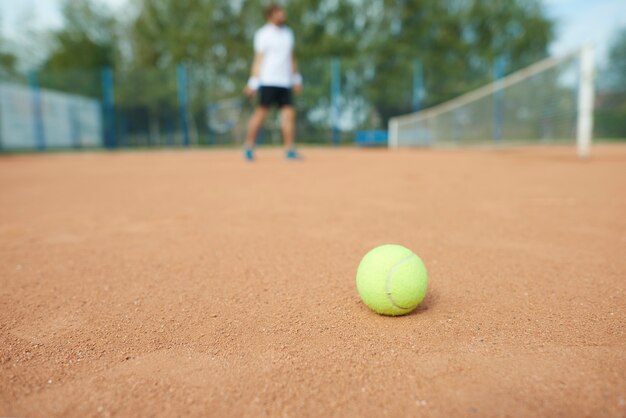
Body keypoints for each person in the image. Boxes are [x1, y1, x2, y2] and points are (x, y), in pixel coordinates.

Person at [243, 4, 303, 161]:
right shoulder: (263, 34)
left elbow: (292, 58)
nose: (282, 15)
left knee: (289, 114)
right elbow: (258, 60)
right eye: (279, 13)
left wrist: (296, 79)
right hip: (268, 81)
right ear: (270, 16)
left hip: (285, 82)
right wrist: (253, 83)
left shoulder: (288, 34)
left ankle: (289, 149)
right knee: (261, 114)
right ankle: (249, 146)